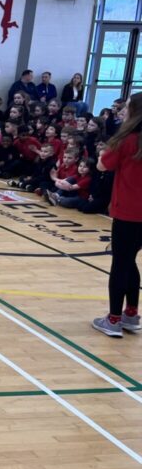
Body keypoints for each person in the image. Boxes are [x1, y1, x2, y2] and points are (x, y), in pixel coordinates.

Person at [93, 92, 142, 337]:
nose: (123, 111)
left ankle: (113, 319)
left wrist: (103, 154)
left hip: (128, 210)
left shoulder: (126, 140)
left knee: (121, 263)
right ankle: (131, 314)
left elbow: (103, 165)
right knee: (130, 260)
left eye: (127, 107)